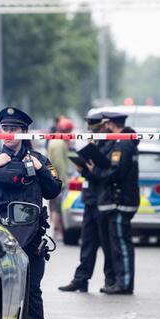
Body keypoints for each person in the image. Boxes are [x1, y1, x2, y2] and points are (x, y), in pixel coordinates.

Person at [0, 106, 65, 319]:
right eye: (5, 129)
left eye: (14, 129)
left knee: (32, 290)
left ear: (25, 132)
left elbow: (53, 191)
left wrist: (39, 169)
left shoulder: (38, 160)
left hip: (31, 238)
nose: (9, 134)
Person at [58, 109, 111, 293]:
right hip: (90, 198)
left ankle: (111, 280)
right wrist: (83, 167)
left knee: (107, 243)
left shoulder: (110, 143)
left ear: (103, 125)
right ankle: (81, 279)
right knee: (87, 242)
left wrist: (89, 168)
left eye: (93, 126)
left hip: (104, 198)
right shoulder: (92, 141)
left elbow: (106, 171)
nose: (91, 129)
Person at [95, 110, 140, 294]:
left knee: (121, 244)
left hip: (122, 200)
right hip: (121, 199)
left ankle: (125, 283)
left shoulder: (123, 144)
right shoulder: (124, 142)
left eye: (107, 125)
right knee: (117, 243)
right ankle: (121, 281)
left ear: (112, 125)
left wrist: (97, 173)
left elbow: (116, 172)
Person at [46, 116, 75, 238]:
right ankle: (56, 230)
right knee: (58, 206)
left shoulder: (56, 140)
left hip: (52, 177)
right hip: (58, 179)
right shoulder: (59, 142)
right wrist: (63, 180)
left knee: (54, 205)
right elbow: (59, 164)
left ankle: (56, 229)